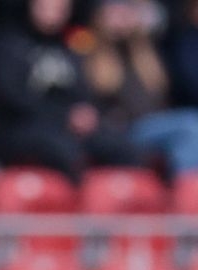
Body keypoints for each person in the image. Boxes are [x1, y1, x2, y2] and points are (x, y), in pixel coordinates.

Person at [0, 0, 146, 179]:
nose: (53, 13)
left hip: (66, 126)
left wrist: (87, 111)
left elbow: (84, 91)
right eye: (46, 6)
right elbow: (11, 98)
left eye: (60, 9)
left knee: (125, 149)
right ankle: (79, 196)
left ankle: (126, 195)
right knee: (64, 150)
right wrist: (63, 115)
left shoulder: (71, 47)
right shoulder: (9, 44)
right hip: (20, 127)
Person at [76, 0, 198, 177]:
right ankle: (188, 188)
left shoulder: (146, 56)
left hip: (155, 125)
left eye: (125, 13)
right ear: (100, 18)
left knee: (187, 133)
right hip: (124, 130)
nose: (120, 20)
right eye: (114, 14)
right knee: (190, 124)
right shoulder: (90, 57)